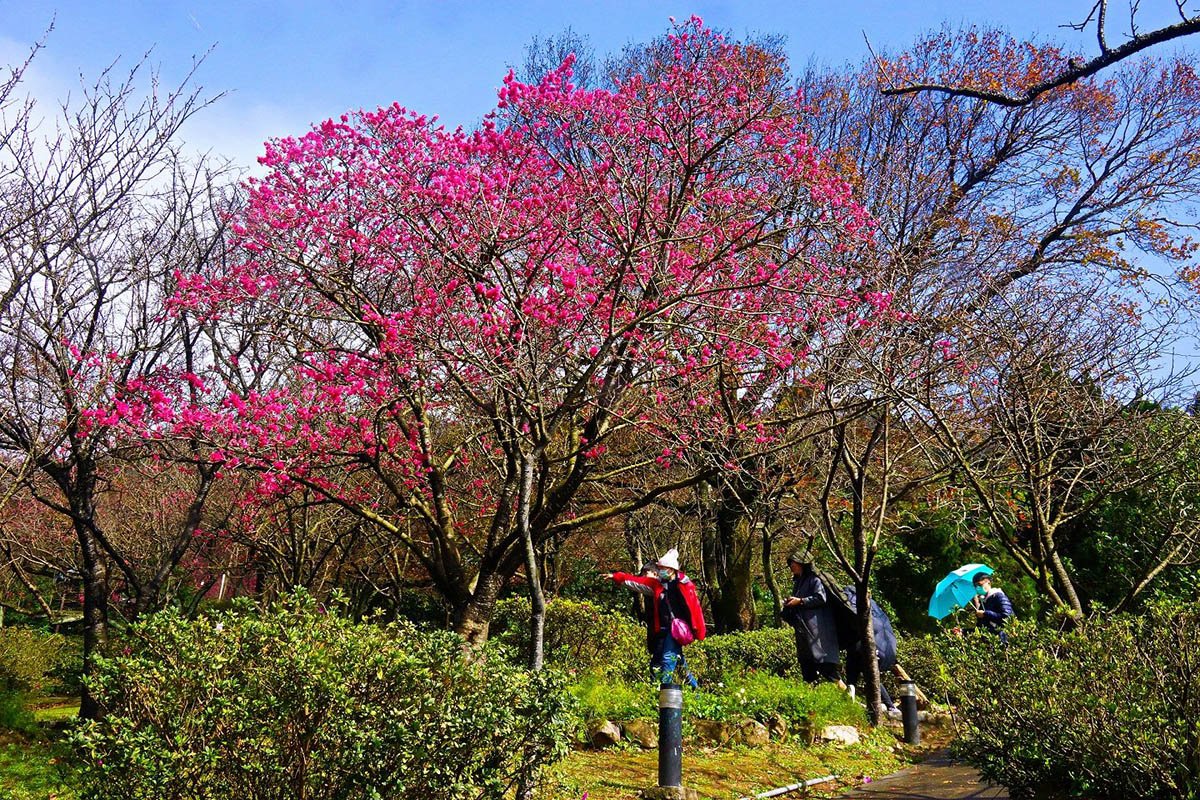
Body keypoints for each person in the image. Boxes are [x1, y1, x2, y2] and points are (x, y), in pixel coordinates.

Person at [605, 548, 706, 686]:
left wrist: (699, 631)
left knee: (666, 660)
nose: (660, 571)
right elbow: (637, 582)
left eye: (663, 568)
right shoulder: (657, 584)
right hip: (663, 629)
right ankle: (696, 692)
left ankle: (664, 695)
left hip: (677, 630)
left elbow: (695, 609)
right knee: (670, 661)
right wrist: (618, 577)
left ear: (671, 569)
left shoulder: (684, 585)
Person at [780, 553, 841, 684]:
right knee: (806, 666)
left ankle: (846, 695)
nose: (791, 566)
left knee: (826, 667)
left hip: (815, 631)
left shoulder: (814, 580)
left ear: (802, 564)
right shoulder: (798, 583)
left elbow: (820, 598)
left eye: (793, 563)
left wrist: (801, 601)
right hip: (802, 631)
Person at [840, 586, 900, 717]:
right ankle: (889, 706)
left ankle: (889, 706)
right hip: (868, 646)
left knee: (863, 675)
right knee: (864, 674)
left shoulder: (853, 602)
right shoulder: (873, 607)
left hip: (861, 646)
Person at [972, 572, 1014, 637]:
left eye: (979, 584)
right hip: (990, 641)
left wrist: (985, 614)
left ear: (988, 582)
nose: (978, 588)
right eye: (975, 586)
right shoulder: (984, 602)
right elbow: (981, 629)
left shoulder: (999, 596)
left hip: (1003, 637)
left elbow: (1007, 617)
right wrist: (963, 631)